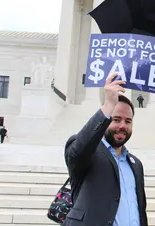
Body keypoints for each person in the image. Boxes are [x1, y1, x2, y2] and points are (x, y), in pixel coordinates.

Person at [63, 73, 148, 226]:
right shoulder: (89, 153)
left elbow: (140, 210)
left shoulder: (136, 164)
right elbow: (78, 150)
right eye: (116, 119)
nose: (122, 125)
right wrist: (108, 105)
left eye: (128, 121)